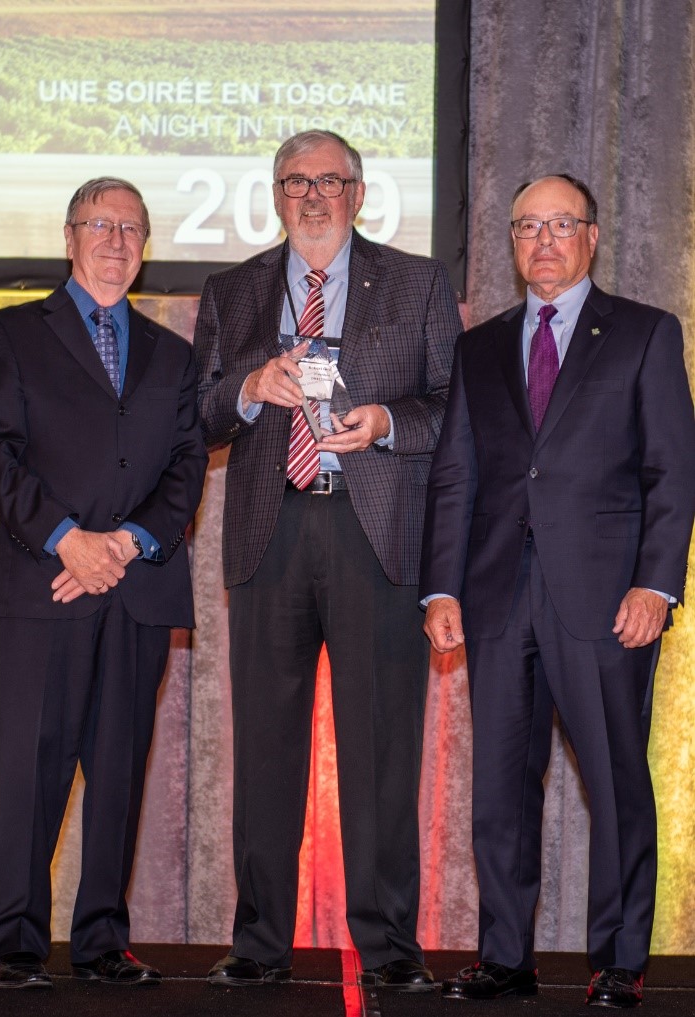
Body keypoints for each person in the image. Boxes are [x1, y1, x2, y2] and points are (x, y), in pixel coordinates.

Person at [420, 174, 695, 1008]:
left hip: (607, 601)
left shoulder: (645, 334)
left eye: (560, 224)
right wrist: (440, 589)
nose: (543, 240)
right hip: (498, 597)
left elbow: (671, 472)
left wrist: (658, 584)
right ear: (511, 240)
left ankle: (620, 960)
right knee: (501, 785)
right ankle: (505, 956)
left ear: (593, 236)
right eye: (526, 226)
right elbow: (456, 475)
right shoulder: (481, 346)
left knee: (615, 783)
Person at [195, 130, 461, 991]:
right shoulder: (232, 289)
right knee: (265, 749)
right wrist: (247, 388)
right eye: (296, 181)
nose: (313, 195)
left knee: (383, 750)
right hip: (270, 535)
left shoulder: (416, 281)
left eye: (331, 181)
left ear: (359, 192)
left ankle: (388, 948)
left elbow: (451, 407)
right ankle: (260, 942)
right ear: (276, 195)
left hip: (372, 529)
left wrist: (384, 422)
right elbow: (200, 413)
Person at [0, 177, 207, 990]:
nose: (116, 240)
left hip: (136, 592)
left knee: (117, 770)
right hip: (46, 587)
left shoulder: (174, 355)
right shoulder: (9, 333)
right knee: (28, 770)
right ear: (68, 236)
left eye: (131, 229)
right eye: (100, 225)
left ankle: (103, 938)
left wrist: (130, 543)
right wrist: (70, 542)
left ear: (146, 247)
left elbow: (183, 468)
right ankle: (12, 941)